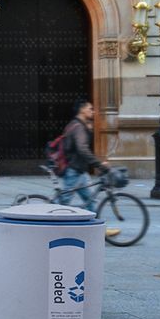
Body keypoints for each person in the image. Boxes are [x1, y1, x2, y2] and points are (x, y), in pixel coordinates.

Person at [59, 99, 120, 239]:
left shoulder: (77, 125)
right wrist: (99, 164)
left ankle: (98, 230)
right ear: (82, 110)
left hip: (79, 171)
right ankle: (42, 224)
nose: (92, 111)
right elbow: (82, 150)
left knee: (91, 201)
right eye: (90, 108)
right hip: (74, 171)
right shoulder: (78, 127)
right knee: (62, 203)